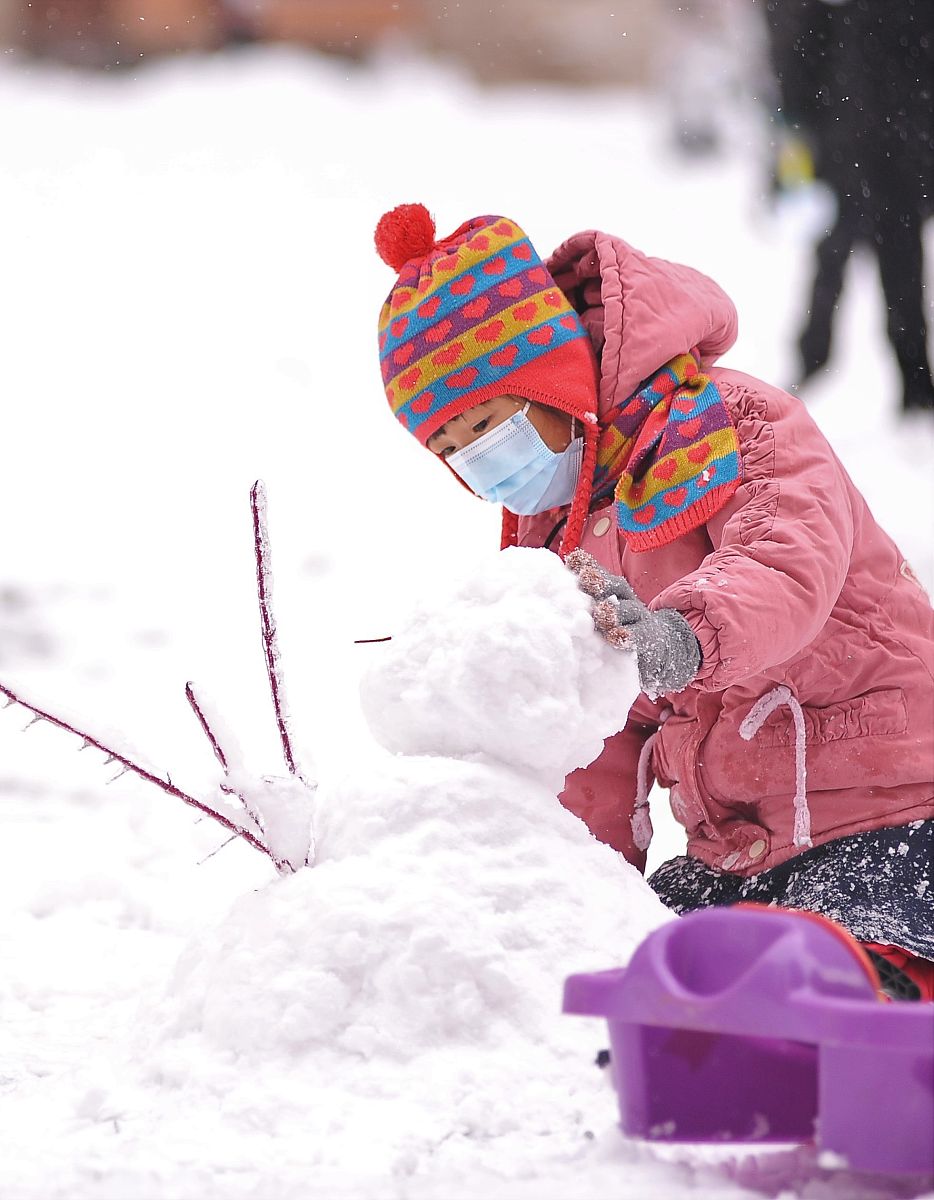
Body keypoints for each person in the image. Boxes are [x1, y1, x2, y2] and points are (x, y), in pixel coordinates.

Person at [373, 203, 934, 1000]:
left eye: (487, 424)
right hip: (737, 848)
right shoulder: (560, 537)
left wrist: (685, 634)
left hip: (887, 805)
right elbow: (600, 735)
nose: (479, 461)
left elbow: (784, 560)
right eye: (451, 449)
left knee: (829, 971)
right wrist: (570, 873)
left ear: (548, 375)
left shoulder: (730, 422)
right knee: (642, 972)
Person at [763, 0, 934, 413]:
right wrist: (802, 127)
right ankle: (813, 363)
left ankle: (913, 381)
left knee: (896, 267)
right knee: (836, 261)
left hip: (893, 154)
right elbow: (800, 57)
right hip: (849, 152)